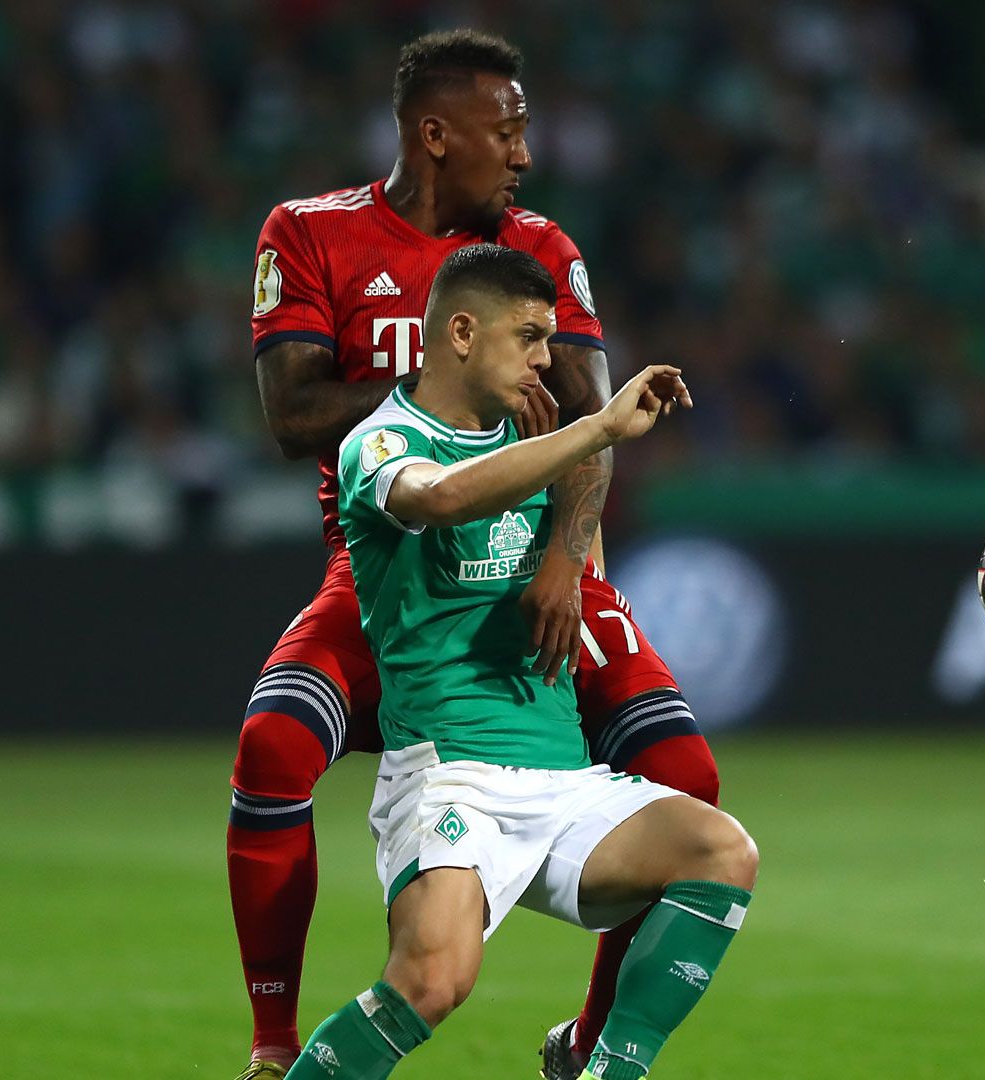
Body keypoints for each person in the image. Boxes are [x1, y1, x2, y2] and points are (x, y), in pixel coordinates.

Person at [232, 29, 722, 1080]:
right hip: (387, 571)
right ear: (434, 134)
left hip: (545, 550)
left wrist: (567, 556)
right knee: (275, 745)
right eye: (507, 131)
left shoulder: (538, 249)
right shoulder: (311, 233)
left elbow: (589, 419)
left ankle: (589, 1047)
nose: (525, 155)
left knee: (687, 775)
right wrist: (456, 405)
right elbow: (293, 413)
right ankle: (277, 1046)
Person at [276, 243, 755, 1080]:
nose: (545, 358)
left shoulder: (531, 430)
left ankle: (606, 1070)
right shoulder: (380, 443)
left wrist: (568, 551)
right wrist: (595, 429)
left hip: (561, 780)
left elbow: (583, 484)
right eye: (529, 336)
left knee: (720, 851)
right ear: (462, 332)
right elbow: (442, 498)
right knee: (430, 983)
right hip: (448, 776)